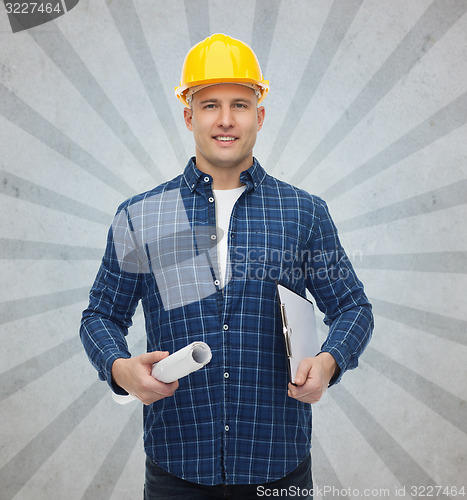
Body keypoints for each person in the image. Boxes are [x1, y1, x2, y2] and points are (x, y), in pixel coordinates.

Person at [80, 33, 373, 499]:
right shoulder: (142, 215)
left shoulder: (303, 212)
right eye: (210, 103)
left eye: (239, 103)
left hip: (278, 465)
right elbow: (101, 315)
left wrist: (329, 361)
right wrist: (119, 368)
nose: (225, 119)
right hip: (176, 464)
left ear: (259, 114)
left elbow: (353, 308)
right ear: (188, 114)